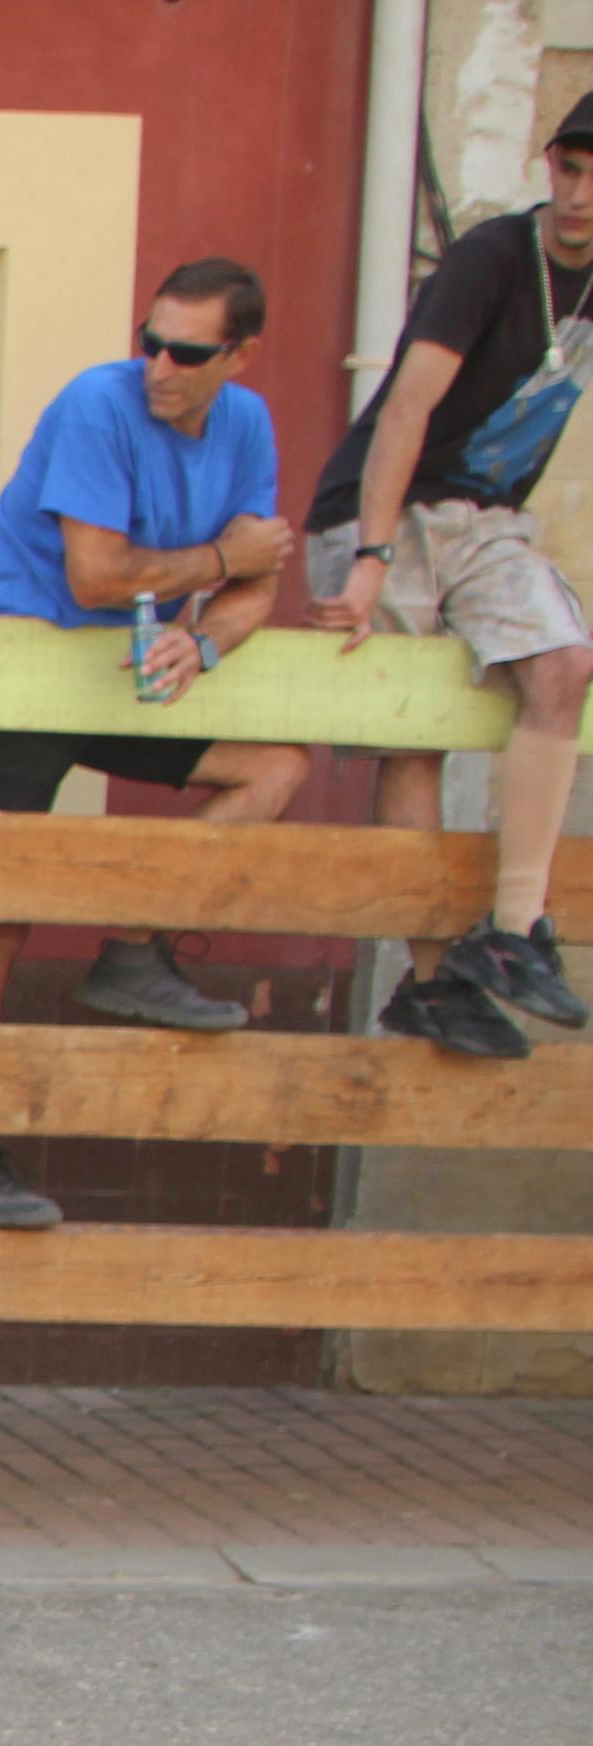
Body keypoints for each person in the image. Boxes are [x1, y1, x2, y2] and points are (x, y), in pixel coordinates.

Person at [0, 258, 314, 1230]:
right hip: (6, 679)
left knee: (274, 766)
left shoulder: (247, 423)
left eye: (186, 353)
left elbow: (257, 586)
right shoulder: (97, 401)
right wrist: (218, 561)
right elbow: (94, 577)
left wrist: (202, 643)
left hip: (104, 677)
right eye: (149, 341)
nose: (158, 367)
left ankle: (133, 948)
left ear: (239, 356)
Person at [305, 95, 593, 1059]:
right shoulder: (490, 259)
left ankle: (512, 932)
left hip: (484, 520)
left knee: (563, 663)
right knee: (415, 740)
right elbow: (404, 410)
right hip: (382, 507)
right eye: (569, 170)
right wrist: (371, 555)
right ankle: (428, 984)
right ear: (547, 164)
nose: (579, 196)